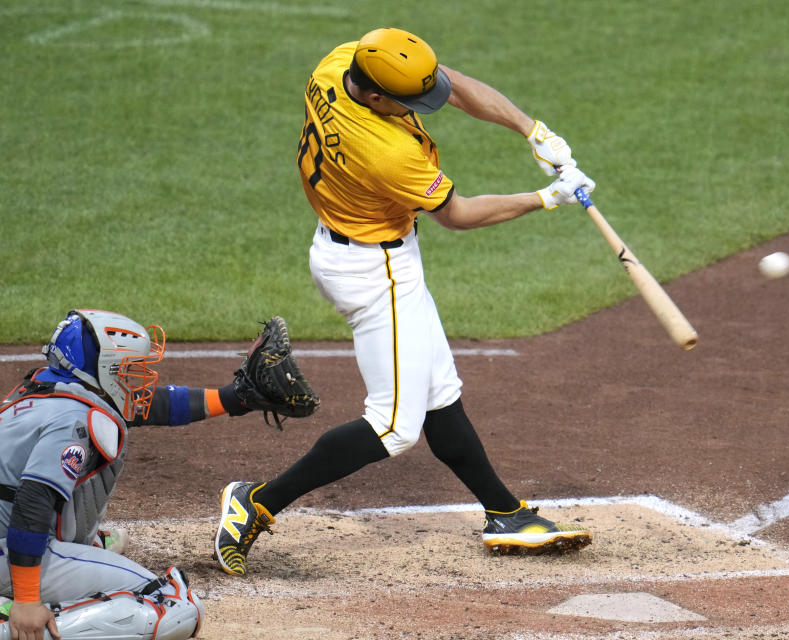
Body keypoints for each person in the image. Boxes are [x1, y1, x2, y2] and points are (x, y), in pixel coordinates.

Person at [214, 27, 597, 577]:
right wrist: (546, 198)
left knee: (439, 393)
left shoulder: (341, 63)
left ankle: (504, 512)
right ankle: (258, 503)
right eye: (408, 102)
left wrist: (532, 129)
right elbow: (457, 215)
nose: (426, 107)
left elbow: (453, 85)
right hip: (376, 272)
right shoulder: (388, 153)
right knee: (393, 426)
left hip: (357, 249)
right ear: (373, 96)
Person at [0, 309, 304, 640]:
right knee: (172, 605)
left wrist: (235, 399)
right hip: (13, 550)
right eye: (130, 370)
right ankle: (14, 626)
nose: (139, 379)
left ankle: (58, 557)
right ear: (105, 369)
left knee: (98, 527)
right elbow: (33, 500)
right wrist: (28, 600)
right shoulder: (73, 418)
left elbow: (149, 406)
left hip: (7, 537)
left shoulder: (45, 390)